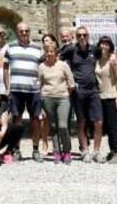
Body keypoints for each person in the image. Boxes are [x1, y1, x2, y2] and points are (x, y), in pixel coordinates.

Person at [60, 26, 105, 163]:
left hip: (93, 90)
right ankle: (85, 151)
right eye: (79, 35)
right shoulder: (71, 50)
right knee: (81, 122)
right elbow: (55, 58)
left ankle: (96, 151)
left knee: (98, 122)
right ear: (75, 36)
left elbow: (107, 58)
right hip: (79, 91)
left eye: (84, 35)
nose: (81, 37)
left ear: (88, 36)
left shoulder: (94, 50)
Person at [5, 22, 43, 161]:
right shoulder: (10, 47)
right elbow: (5, 67)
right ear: (17, 32)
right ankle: (16, 149)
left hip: (34, 89)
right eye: (21, 31)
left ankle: (35, 149)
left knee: (35, 119)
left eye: (26, 31)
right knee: (17, 120)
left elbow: (42, 68)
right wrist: (7, 86)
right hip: (16, 89)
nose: (24, 33)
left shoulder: (38, 48)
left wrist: (41, 87)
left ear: (30, 32)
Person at [38, 36, 76, 164]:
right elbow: (39, 84)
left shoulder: (63, 65)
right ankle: (56, 152)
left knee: (63, 126)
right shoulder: (42, 67)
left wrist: (65, 94)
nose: (49, 54)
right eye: (47, 51)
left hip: (62, 98)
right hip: (47, 98)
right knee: (53, 126)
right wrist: (41, 101)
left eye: (52, 51)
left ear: (56, 52)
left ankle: (66, 151)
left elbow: (71, 83)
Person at [96, 35, 117, 163]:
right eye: (102, 43)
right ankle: (111, 151)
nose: (104, 46)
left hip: (111, 96)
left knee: (113, 126)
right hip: (100, 96)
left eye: (106, 44)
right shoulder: (97, 60)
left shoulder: (112, 60)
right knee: (105, 126)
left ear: (110, 46)